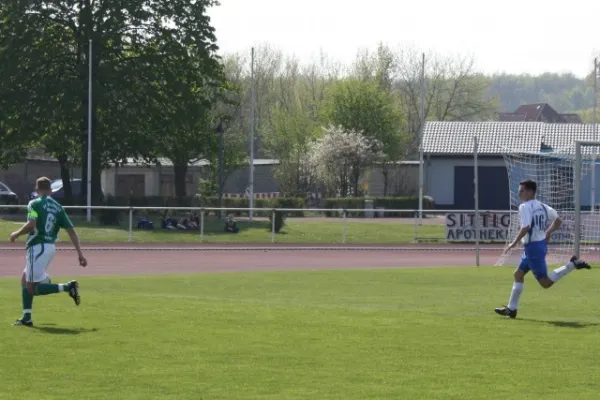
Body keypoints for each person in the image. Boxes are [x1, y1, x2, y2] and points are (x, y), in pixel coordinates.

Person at [495, 179, 591, 319]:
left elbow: (526, 226)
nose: (519, 193)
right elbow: (558, 221)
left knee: (545, 283)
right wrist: (547, 233)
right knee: (518, 274)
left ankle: (572, 265)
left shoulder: (524, 206)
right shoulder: (543, 206)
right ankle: (512, 309)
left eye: (522, 191)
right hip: (537, 246)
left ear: (530, 192)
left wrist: (513, 243)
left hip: (533, 248)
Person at [9, 177, 88, 327]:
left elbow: (31, 224)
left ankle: (67, 286)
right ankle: (26, 317)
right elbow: (71, 232)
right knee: (24, 279)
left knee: (31, 288)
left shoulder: (34, 203)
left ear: (37, 190)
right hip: (50, 248)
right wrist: (80, 254)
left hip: (37, 246)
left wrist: (16, 234)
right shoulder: (58, 207)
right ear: (51, 190)